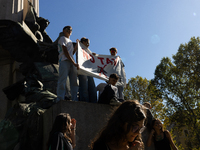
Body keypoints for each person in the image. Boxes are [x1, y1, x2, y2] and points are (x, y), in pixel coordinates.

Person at [56, 26, 79, 102]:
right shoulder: (62, 38)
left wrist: (76, 47)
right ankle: (60, 98)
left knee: (74, 82)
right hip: (64, 61)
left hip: (71, 62)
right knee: (62, 80)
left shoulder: (70, 41)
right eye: (68, 29)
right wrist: (74, 63)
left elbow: (71, 53)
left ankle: (75, 99)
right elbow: (65, 52)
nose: (70, 31)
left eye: (71, 30)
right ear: (64, 31)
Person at [78, 37, 97, 103]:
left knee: (92, 87)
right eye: (87, 42)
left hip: (89, 71)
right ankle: (84, 102)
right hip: (83, 71)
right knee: (84, 88)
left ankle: (93, 102)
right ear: (83, 42)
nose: (88, 44)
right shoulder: (80, 49)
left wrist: (93, 56)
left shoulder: (88, 51)